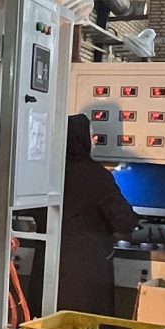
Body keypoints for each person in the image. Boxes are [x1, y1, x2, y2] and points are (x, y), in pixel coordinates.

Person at [57, 112, 139, 316]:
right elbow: (124, 221)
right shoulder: (96, 176)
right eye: (91, 135)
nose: (94, 140)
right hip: (87, 272)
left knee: (48, 323)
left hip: (48, 267)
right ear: (82, 139)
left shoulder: (47, 172)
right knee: (85, 326)